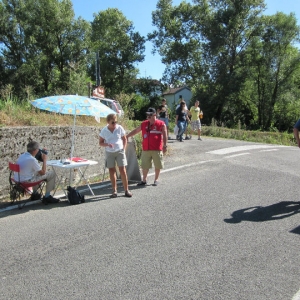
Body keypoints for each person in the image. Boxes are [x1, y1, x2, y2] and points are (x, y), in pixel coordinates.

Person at [126, 107, 167, 186]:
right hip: (146, 148)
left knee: (157, 164)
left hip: (156, 148)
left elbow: (165, 135)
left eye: (150, 115)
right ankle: (144, 180)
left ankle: (156, 179)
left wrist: (165, 146)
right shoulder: (144, 123)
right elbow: (136, 131)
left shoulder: (161, 124)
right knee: (145, 165)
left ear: (155, 115)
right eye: (147, 115)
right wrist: (127, 136)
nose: (148, 117)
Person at [99, 114, 132, 198]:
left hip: (119, 151)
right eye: (112, 122)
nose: (115, 124)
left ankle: (126, 190)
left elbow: (124, 139)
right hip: (109, 152)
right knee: (111, 170)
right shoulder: (104, 130)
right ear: (108, 122)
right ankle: (114, 190)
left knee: (122, 170)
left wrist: (123, 149)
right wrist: (107, 144)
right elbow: (100, 143)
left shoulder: (119, 128)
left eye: (116, 122)